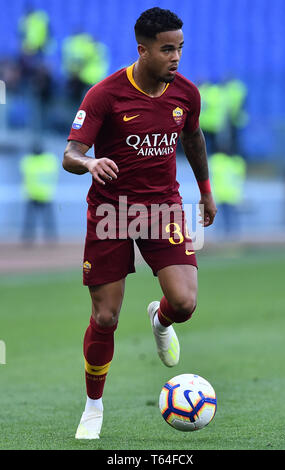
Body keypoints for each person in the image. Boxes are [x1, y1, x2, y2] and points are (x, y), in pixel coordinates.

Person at [63, 7, 217, 440]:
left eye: (180, 48)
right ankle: (93, 406)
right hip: (111, 211)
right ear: (143, 50)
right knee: (106, 318)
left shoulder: (186, 93)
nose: (176, 57)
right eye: (167, 49)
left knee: (184, 304)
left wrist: (205, 190)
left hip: (163, 208)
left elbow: (193, 137)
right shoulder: (105, 95)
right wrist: (90, 161)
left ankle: (160, 320)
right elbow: (69, 154)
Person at [20, 144, 59, 245]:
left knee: (31, 220)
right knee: (46, 220)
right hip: (44, 194)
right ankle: (50, 238)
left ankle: (29, 238)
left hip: (34, 194)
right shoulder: (50, 160)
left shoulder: (28, 161)